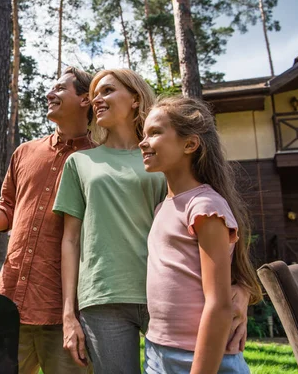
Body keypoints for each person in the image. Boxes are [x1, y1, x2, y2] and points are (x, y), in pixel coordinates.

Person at [53, 69, 252, 374]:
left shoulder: (164, 158)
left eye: (107, 90)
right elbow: (70, 239)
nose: (97, 99)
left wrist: (242, 288)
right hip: (103, 294)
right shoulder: (80, 162)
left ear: (135, 98)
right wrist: (69, 313)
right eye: (94, 94)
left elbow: (213, 225)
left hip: (167, 297)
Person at [0, 66, 94, 374]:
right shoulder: (25, 152)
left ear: (85, 100)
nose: (50, 93)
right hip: (11, 300)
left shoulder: (99, 159)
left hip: (68, 311)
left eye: (60, 88)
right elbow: (7, 209)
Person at [138, 96, 263, 373]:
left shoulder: (204, 206)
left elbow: (218, 304)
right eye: (144, 134)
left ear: (190, 144)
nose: (143, 142)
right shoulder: (163, 206)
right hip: (157, 351)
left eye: (155, 132)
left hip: (202, 357)